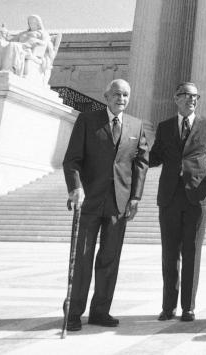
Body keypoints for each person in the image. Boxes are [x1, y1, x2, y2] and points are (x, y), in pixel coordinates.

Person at [62, 78, 149, 332]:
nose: (121, 99)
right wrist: (75, 187)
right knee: (82, 258)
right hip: (89, 200)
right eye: (117, 94)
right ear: (106, 96)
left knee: (110, 259)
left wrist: (135, 197)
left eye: (126, 95)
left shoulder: (135, 125)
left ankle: (100, 310)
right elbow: (72, 159)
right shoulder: (88, 120)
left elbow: (141, 164)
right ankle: (73, 313)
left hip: (118, 203)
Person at [149, 82, 206, 322]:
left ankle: (188, 306)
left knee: (192, 252)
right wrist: (130, 156)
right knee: (169, 253)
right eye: (187, 96)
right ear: (176, 98)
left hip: (196, 196)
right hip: (169, 196)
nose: (192, 100)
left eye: (195, 96)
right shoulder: (165, 126)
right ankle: (168, 306)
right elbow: (155, 156)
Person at [0, 14, 59, 86]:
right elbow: (11, 40)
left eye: (34, 22)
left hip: (29, 49)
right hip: (20, 46)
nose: (32, 24)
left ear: (38, 23)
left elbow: (45, 43)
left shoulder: (43, 33)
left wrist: (34, 40)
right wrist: (2, 34)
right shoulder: (23, 33)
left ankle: (8, 69)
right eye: (30, 22)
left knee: (14, 46)